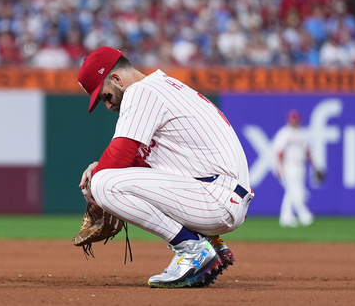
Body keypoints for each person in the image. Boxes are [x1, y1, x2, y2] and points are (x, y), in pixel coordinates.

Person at [77, 46, 254, 288]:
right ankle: (210, 243)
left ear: (117, 78)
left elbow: (119, 159)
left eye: (105, 96)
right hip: (221, 194)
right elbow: (140, 163)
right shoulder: (163, 87)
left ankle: (192, 249)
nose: (107, 106)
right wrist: (100, 166)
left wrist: (95, 184)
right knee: (105, 177)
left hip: (215, 198)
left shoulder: (141, 92)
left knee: (103, 184)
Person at [273, 109, 320, 228]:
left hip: (301, 165)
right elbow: (279, 152)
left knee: (291, 191)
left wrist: (315, 165)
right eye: (292, 119)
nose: (294, 121)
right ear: (289, 120)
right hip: (289, 165)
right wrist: (279, 167)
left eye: (296, 119)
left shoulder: (302, 134)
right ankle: (305, 216)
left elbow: (307, 152)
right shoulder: (284, 133)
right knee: (296, 190)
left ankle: (285, 217)